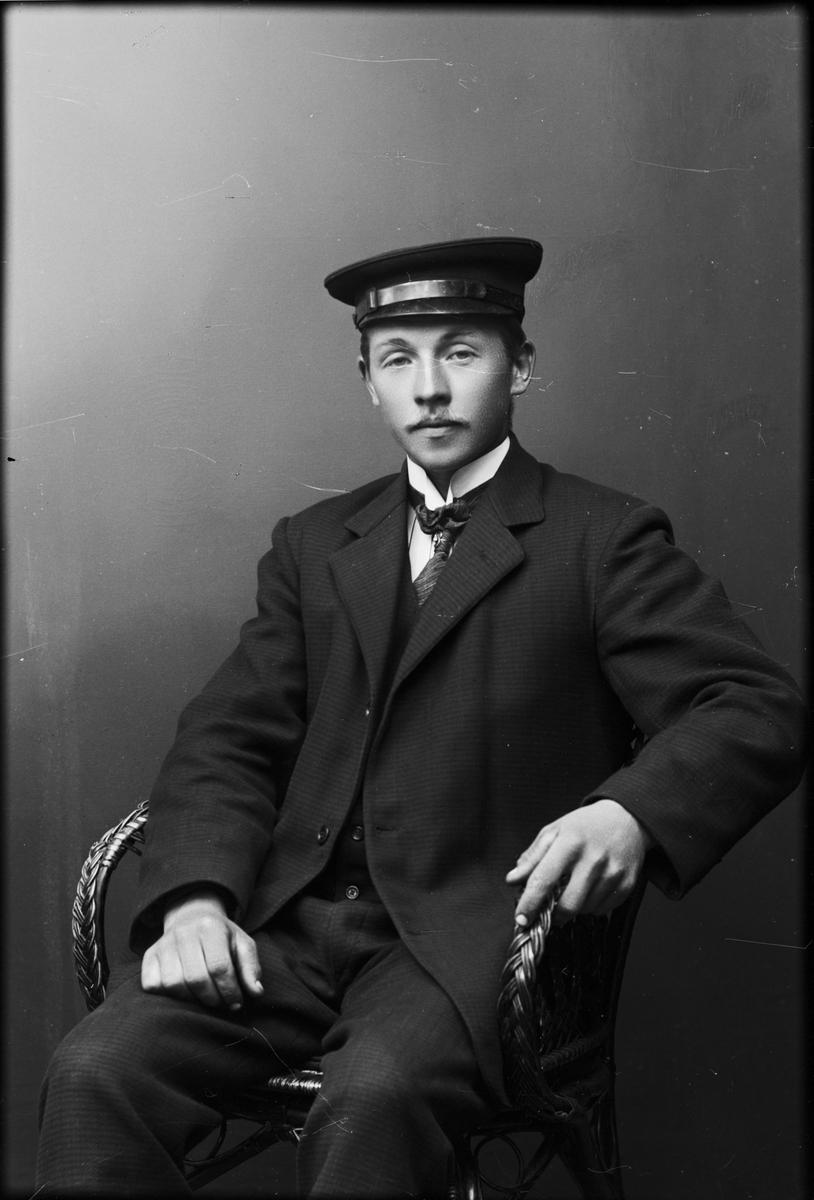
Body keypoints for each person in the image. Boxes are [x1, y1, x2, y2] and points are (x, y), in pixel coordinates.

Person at [36, 237, 807, 1197]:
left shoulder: (601, 539)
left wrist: (633, 813)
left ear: (521, 366)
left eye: (462, 353)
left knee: (373, 1098)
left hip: (467, 947)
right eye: (398, 360)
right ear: (368, 382)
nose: (430, 389)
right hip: (286, 934)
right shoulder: (316, 544)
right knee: (94, 1071)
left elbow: (754, 705)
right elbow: (226, 739)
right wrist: (195, 900)